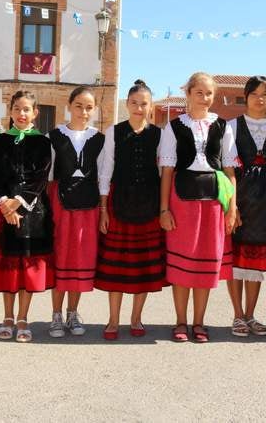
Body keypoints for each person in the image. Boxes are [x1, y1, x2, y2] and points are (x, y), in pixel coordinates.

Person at [159, 73, 238, 343]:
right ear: (189, 94)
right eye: (199, 93)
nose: (204, 98)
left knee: (205, 265)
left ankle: (199, 323)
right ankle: (181, 322)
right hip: (181, 201)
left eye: (209, 93)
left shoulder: (223, 126)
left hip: (213, 201)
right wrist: (164, 209)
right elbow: (167, 171)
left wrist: (232, 208)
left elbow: (230, 170)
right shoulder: (174, 127)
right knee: (182, 267)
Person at [96, 80, 166, 340]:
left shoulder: (159, 134)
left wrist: (163, 209)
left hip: (149, 205)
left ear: (151, 106)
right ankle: (113, 320)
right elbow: (106, 170)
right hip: (119, 204)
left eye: (144, 103)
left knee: (143, 267)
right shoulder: (114, 132)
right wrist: (104, 209)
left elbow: (164, 172)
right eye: (134, 103)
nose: (139, 107)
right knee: (116, 267)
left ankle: (136, 318)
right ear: (127, 104)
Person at [0, 90, 53, 343]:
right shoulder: (1, 140)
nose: (21, 114)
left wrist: (19, 205)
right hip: (6, 211)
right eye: (17, 108)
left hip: (33, 212)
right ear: (11, 111)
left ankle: (23, 317)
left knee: (26, 266)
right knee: (10, 267)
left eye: (26, 109)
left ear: (35, 113)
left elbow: (40, 178)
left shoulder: (43, 142)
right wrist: (6, 206)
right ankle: (7, 316)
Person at [226, 76, 266, 338]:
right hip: (240, 198)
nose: (259, 99)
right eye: (254, 94)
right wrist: (232, 206)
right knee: (236, 260)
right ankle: (237, 315)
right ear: (246, 96)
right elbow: (227, 168)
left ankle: (251, 314)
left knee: (255, 261)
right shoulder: (231, 126)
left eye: (265, 94)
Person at [46, 86, 105, 338]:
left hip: (88, 205)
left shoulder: (99, 138)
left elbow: (103, 176)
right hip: (60, 203)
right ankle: (56, 315)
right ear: (69, 106)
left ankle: (73, 312)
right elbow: (48, 176)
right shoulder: (54, 136)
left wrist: (103, 210)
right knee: (61, 256)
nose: (84, 112)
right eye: (79, 106)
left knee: (81, 257)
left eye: (89, 107)